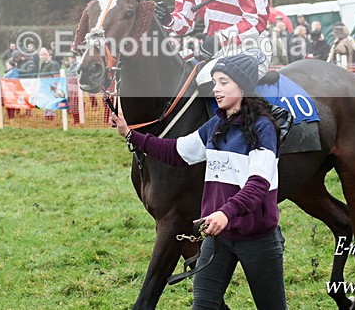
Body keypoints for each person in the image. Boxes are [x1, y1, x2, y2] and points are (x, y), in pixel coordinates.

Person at [109, 53, 286, 309]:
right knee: (203, 305)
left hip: (258, 239)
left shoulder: (264, 129)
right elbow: (176, 151)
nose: (216, 89)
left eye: (223, 82)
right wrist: (130, 135)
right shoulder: (216, 125)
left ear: (243, 87)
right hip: (218, 238)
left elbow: (258, 185)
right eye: (214, 83)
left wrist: (225, 213)